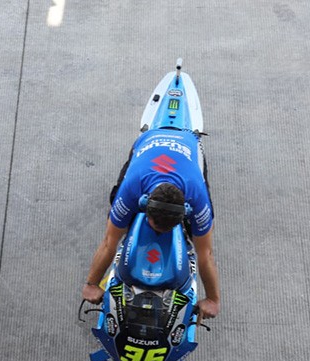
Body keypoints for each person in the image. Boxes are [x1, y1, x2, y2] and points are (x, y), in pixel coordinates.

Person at [82, 128, 221, 319]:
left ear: (185, 211)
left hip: (188, 147)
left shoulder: (197, 196)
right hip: (148, 144)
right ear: (144, 206)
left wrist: (213, 299)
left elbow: (206, 254)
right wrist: (91, 283)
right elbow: (109, 242)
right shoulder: (133, 188)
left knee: (199, 232)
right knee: (117, 210)